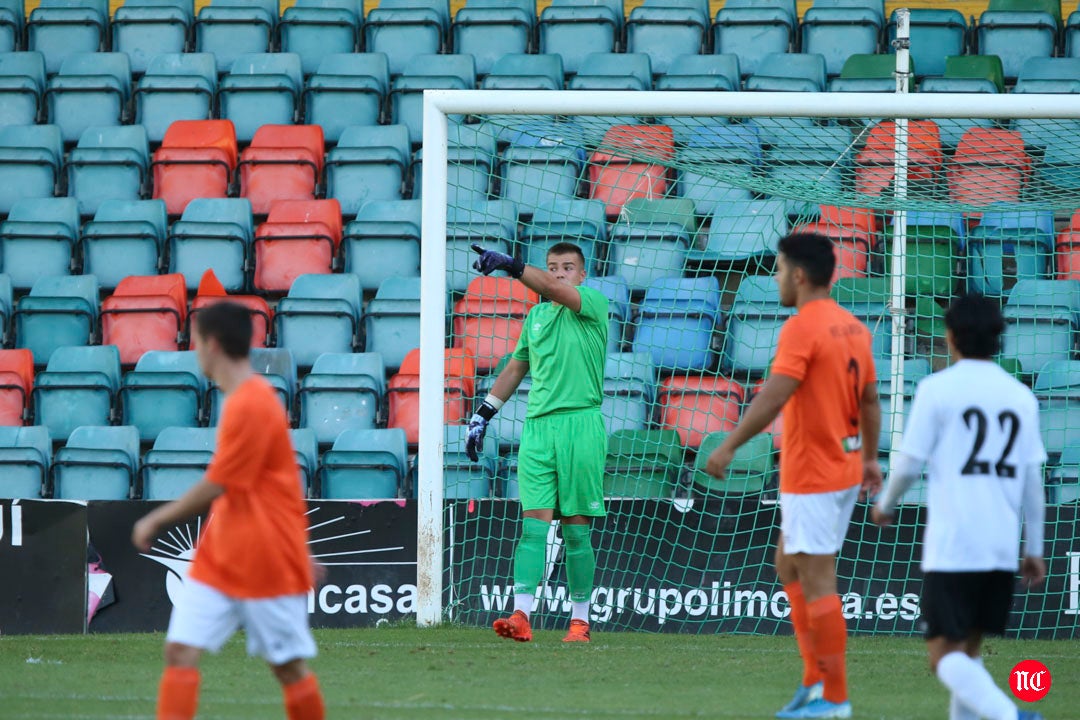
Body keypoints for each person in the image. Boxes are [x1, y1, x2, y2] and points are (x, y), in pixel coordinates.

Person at [705, 232, 881, 719]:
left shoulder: (803, 327)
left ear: (800, 275)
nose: (777, 278)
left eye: (780, 269)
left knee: (818, 578)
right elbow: (869, 400)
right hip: (843, 466)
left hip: (815, 472)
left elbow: (774, 395)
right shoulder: (852, 326)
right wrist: (869, 456)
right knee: (788, 564)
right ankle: (813, 682)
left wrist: (728, 445)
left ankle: (835, 698)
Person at [132, 301, 325, 720]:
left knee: (288, 669)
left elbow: (220, 483)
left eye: (195, 340)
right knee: (180, 650)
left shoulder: (251, 403)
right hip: (222, 556)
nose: (193, 349)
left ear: (212, 344)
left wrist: (156, 518)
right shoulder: (241, 399)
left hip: (266, 560)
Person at [871, 294, 1046, 720]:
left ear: (950, 336)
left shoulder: (937, 389)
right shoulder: (1021, 397)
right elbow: (1032, 482)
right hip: (1000, 547)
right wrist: (1035, 548)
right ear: (999, 338)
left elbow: (909, 462)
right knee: (968, 653)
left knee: (941, 656)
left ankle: (1012, 716)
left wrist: (885, 502)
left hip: (954, 545)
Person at [467, 241, 608, 643]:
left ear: (582, 275)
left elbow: (556, 290)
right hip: (538, 429)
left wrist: (513, 266)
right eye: (553, 267)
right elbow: (516, 367)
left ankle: (580, 622)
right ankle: (522, 615)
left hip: (580, 426)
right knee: (533, 528)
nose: (559, 273)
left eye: (567, 268)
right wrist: (483, 413)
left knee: (576, 530)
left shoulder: (592, 304)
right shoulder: (537, 318)